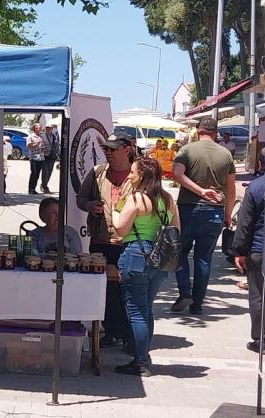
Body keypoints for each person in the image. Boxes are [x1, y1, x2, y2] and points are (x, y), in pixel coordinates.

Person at [111, 157, 180, 376]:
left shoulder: (136, 198)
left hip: (136, 256)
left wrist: (113, 211)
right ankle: (144, 355)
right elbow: (176, 229)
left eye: (133, 172)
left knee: (136, 311)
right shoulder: (167, 199)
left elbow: (121, 229)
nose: (130, 176)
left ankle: (140, 361)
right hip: (159, 259)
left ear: (142, 175)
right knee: (147, 308)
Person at [77, 132, 136, 348]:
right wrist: (89, 206)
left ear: (126, 149)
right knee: (105, 290)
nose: (107, 153)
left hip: (129, 242)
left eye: (112, 149)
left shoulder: (139, 174)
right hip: (101, 240)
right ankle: (111, 331)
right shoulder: (97, 173)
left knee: (128, 290)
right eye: (105, 149)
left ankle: (131, 334)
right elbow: (81, 198)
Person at [171, 116, 236, 315]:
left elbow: (177, 174)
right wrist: (228, 214)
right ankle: (197, 304)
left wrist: (199, 191)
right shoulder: (226, 154)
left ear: (198, 131)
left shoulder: (187, 150)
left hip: (188, 209)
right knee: (203, 259)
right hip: (214, 211)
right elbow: (231, 189)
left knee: (179, 252)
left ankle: (184, 292)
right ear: (216, 133)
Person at [232, 147, 265, 355]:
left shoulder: (255, 186)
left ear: (261, 163)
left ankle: (262, 341)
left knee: (258, 296)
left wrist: (239, 250)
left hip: (261, 249)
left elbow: (245, 222)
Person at [26, 123, 48, 195]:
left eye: (40, 128)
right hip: (34, 158)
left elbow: (43, 146)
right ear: (34, 129)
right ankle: (31, 189)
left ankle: (34, 189)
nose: (39, 129)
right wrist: (37, 143)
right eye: (38, 128)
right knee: (34, 173)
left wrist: (44, 148)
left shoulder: (41, 137)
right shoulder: (31, 137)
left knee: (38, 174)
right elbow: (30, 147)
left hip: (41, 158)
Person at [41, 124, 60, 193]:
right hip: (44, 156)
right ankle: (45, 187)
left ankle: (44, 184)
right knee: (45, 172)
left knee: (49, 172)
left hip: (52, 156)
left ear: (52, 129)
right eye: (47, 128)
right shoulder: (42, 135)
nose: (48, 129)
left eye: (49, 128)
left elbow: (57, 145)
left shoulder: (54, 136)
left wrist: (58, 154)